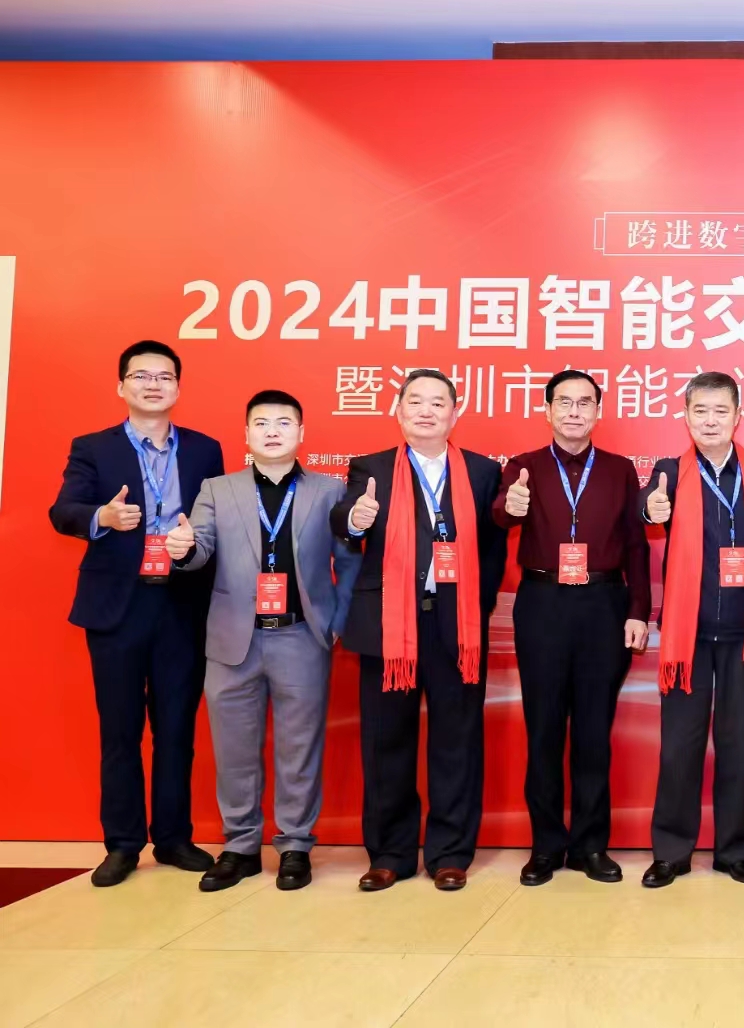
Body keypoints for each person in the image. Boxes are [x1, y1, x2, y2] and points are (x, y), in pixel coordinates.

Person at [165, 390, 360, 892]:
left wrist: (336, 621)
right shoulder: (217, 489)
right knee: (234, 750)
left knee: (300, 747)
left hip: (301, 636)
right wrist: (183, 550)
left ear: (302, 433)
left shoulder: (328, 490)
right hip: (234, 638)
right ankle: (240, 846)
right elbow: (200, 546)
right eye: (261, 423)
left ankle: (295, 845)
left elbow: (349, 558)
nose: (272, 431)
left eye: (283, 422)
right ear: (246, 434)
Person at [49, 340, 225, 888]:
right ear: (121, 386)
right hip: (117, 606)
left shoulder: (205, 450)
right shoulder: (93, 448)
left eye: (164, 376)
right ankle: (123, 844)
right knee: (120, 730)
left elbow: (215, 522)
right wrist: (101, 517)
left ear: (178, 387)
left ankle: (172, 837)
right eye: (141, 376)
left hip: (182, 603)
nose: (153, 384)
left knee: (176, 729)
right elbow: (63, 510)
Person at [331, 369, 507, 893]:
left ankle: (450, 853)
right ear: (399, 410)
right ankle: (390, 854)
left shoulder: (482, 471)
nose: (426, 411)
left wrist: (476, 605)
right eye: (415, 402)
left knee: (457, 743)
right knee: (387, 742)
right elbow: (344, 521)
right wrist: (357, 518)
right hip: (390, 626)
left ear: (455, 413)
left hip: (457, 627)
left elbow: (494, 548)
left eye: (437, 402)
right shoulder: (371, 468)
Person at [494, 369, 651, 886]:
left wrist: (638, 610)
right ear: (547, 410)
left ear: (598, 412)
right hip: (542, 604)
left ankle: (590, 845)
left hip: (604, 606)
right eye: (564, 402)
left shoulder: (620, 470)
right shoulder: (523, 467)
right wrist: (509, 506)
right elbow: (501, 514)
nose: (574, 411)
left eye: (585, 402)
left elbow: (636, 545)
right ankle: (545, 847)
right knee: (543, 730)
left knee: (593, 732)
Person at [638, 371, 744, 887]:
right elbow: (647, 505)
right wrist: (650, 508)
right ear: (686, 417)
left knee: (740, 745)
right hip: (689, 636)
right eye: (700, 411)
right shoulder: (668, 472)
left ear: (737, 416)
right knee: (679, 747)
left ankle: (735, 851)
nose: (710, 421)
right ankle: (671, 852)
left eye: (720, 411)